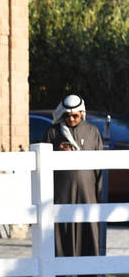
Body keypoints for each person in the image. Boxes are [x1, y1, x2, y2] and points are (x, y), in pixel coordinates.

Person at [43, 94, 104, 264]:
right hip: (61, 190)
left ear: (81, 113)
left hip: (87, 190)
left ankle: (88, 272)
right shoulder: (53, 133)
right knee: (62, 225)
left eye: (75, 115)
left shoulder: (92, 131)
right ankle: (63, 270)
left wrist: (98, 192)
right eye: (67, 116)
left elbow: (100, 165)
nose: (71, 119)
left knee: (88, 225)